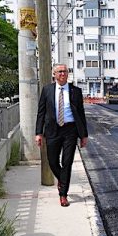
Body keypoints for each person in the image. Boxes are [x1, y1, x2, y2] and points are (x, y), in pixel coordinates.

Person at [35, 64, 89, 207]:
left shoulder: (75, 91)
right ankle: (62, 179)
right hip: (52, 130)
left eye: (65, 71)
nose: (63, 74)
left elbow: (81, 114)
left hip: (70, 130)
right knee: (52, 161)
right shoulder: (47, 90)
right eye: (60, 72)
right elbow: (41, 113)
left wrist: (84, 135)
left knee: (67, 162)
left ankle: (63, 194)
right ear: (54, 74)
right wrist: (38, 133)